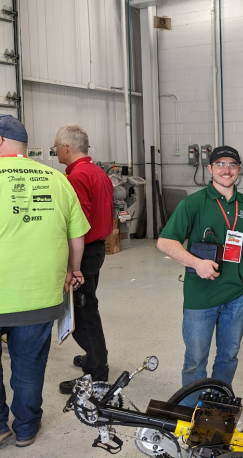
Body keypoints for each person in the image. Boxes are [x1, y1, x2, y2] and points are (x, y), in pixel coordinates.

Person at [0, 115, 89, 447]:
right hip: (39, 295)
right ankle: (25, 428)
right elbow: (76, 235)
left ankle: (0, 427)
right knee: (29, 367)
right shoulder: (57, 179)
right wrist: (73, 269)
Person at [157, 146, 243, 398]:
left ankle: (218, 409)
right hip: (201, 298)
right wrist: (196, 263)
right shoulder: (193, 203)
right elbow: (165, 242)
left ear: (239, 170)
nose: (226, 170)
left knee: (228, 356)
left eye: (232, 164)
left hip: (237, 296)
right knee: (195, 360)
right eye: (220, 164)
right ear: (210, 169)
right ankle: (190, 413)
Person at [54, 125, 114, 394]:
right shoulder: (98, 172)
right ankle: (94, 358)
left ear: (67, 147)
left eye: (56, 146)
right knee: (89, 303)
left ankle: (97, 374)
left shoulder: (77, 177)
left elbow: (78, 225)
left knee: (83, 313)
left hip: (85, 252)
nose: (55, 150)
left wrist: (71, 265)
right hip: (97, 249)